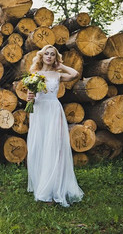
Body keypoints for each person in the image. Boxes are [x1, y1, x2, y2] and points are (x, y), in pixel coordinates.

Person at [26, 44, 84, 207]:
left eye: (53, 54)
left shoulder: (58, 74)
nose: (49, 57)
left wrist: (61, 65)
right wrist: (29, 97)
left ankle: (52, 187)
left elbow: (75, 74)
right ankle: (41, 183)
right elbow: (30, 97)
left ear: (55, 57)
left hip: (53, 110)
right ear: (42, 56)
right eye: (47, 54)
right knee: (41, 146)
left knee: (54, 146)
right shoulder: (35, 74)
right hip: (39, 111)